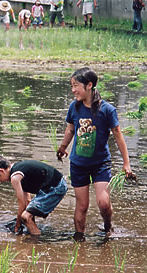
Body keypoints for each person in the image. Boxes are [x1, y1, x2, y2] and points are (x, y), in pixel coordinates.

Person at [57, 67, 134, 242]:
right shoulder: (74, 107)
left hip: (100, 164)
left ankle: (107, 226)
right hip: (78, 164)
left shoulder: (107, 110)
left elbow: (118, 136)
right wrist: (62, 148)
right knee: (82, 206)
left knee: (103, 203)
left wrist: (126, 163)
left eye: (76, 85)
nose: (73, 90)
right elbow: (70, 130)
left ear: (89, 85)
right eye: (72, 86)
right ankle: (79, 241)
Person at [0, 155, 67, 235]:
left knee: (25, 217)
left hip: (55, 188)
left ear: (1, 171)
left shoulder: (15, 178)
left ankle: (35, 242)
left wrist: (17, 225)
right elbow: (27, 201)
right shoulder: (19, 169)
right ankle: (33, 232)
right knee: (28, 214)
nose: (0, 182)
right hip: (55, 185)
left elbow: (22, 204)